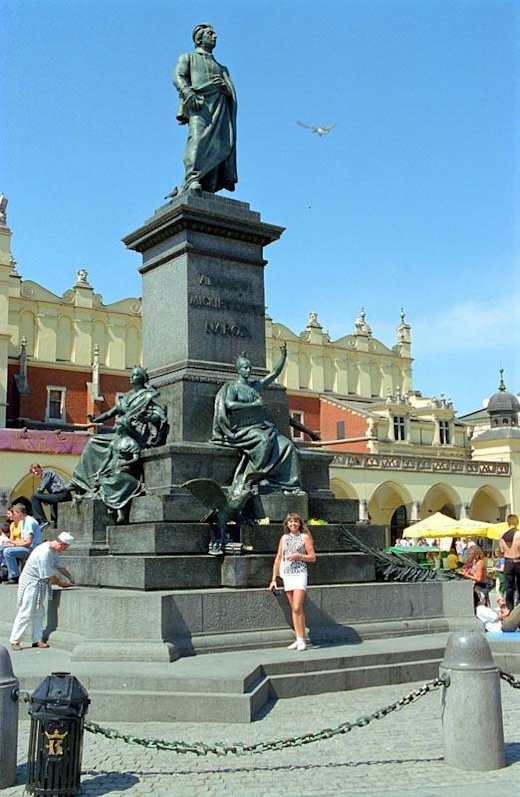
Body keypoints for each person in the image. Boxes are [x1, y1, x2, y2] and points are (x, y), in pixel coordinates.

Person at [69, 367, 167, 522]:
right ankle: (80, 481)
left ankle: (97, 485)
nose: (131, 377)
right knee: (92, 441)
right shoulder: (127, 397)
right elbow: (111, 413)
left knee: (101, 444)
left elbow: (159, 416)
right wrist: (96, 419)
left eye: (135, 375)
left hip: (135, 436)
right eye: (131, 374)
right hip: (120, 434)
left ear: (142, 378)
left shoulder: (148, 396)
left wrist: (146, 419)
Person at [212, 345, 302, 494]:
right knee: (263, 441)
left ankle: (290, 484)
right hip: (243, 429)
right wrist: (254, 404)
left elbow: (274, 373)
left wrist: (283, 357)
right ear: (238, 369)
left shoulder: (255, 386)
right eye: (245, 368)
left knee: (288, 446)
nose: (249, 370)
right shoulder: (233, 387)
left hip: (262, 427)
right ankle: (251, 478)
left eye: (250, 367)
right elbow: (229, 404)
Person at [171, 23, 237, 195]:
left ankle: (210, 182)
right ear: (199, 38)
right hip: (200, 105)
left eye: (215, 34)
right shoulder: (188, 57)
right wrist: (187, 93)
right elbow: (178, 76)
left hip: (220, 107)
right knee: (198, 139)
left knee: (221, 143)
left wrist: (225, 88)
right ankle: (192, 177)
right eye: (210, 34)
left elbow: (230, 91)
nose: (215, 36)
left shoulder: (222, 68)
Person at [10, 532, 74, 650]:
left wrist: (70, 577)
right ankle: (15, 640)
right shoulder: (44, 552)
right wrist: (61, 583)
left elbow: (58, 566)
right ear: (62, 544)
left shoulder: (53, 551)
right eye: (66, 548)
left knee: (39, 612)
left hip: (40, 584)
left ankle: (37, 640)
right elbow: (48, 575)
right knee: (26, 611)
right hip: (31, 583)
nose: (64, 550)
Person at [268, 513, 316, 651]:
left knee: (297, 607)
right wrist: (273, 579)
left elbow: (312, 557)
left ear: (300, 524)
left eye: (295, 521)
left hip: (300, 574)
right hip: (287, 574)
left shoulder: (304, 537)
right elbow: (278, 558)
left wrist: (299, 556)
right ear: (287, 525)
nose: (293, 524)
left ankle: (302, 639)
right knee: (295, 609)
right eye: (290, 522)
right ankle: (299, 639)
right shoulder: (284, 538)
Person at [2, 504, 42, 584]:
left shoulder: (29, 522)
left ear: (19, 512)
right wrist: (11, 542)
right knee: (4, 548)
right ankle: (7, 574)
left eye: (14, 513)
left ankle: (14, 576)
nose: (13, 514)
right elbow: (23, 540)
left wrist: (13, 545)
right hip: (29, 548)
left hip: (33, 549)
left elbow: (28, 542)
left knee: (8, 551)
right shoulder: (24, 521)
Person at [30, 463, 72, 529]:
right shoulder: (44, 477)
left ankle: (42, 521)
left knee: (34, 497)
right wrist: (45, 499)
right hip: (59, 495)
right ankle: (55, 524)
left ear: (40, 468)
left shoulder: (47, 472)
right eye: (33, 472)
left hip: (62, 494)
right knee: (52, 506)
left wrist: (41, 497)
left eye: (36, 470)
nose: (35, 473)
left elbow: (41, 488)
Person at [499, 513, 520, 610]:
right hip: (518, 561)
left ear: (508, 522)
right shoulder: (518, 534)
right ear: (516, 521)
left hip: (507, 562)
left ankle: (509, 608)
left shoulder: (502, 535)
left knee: (509, 588)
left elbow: (502, 551)